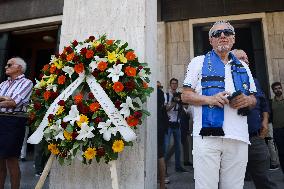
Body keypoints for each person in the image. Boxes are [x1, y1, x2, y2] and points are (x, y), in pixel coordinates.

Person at [182, 21, 256, 189]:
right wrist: (210, 100)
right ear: (211, 41)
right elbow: (185, 95)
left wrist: (247, 100)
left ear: (233, 38)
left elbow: (253, 98)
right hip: (207, 137)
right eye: (216, 34)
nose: (222, 36)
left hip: (238, 137)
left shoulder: (243, 66)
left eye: (227, 32)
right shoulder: (198, 62)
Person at [233, 49, 278, 189]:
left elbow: (264, 104)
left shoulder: (255, 81)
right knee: (232, 182)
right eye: (241, 58)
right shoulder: (225, 82)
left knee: (264, 180)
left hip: (255, 138)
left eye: (247, 58)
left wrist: (264, 122)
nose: (246, 61)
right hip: (233, 141)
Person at [0, 57, 33, 189]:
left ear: (19, 67)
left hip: (13, 121)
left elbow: (14, 103)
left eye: (9, 65)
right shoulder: (2, 84)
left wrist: (8, 99)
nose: (6, 67)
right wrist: (6, 99)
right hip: (1, 119)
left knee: (11, 159)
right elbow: (9, 100)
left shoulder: (27, 83)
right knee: (0, 161)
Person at [164, 78, 187, 172]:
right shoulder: (167, 96)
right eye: (172, 83)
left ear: (177, 85)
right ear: (170, 85)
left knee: (178, 147)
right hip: (169, 124)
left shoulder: (179, 95)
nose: (174, 85)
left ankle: (178, 166)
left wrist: (181, 103)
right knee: (166, 146)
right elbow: (165, 109)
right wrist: (174, 102)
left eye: (175, 84)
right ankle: (163, 168)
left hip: (177, 124)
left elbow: (184, 108)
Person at [157, 81, 168, 189]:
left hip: (155, 126)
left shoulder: (156, 93)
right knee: (160, 156)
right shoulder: (161, 94)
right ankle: (162, 185)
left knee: (160, 156)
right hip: (160, 126)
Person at [271, 81, 284, 174]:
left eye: (279, 88)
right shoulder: (271, 102)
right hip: (277, 130)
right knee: (282, 153)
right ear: (273, 91)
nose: (278, 90)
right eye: (275, 89)